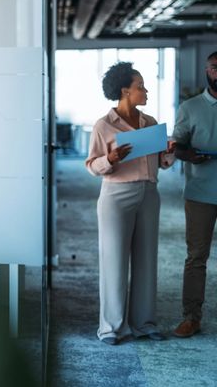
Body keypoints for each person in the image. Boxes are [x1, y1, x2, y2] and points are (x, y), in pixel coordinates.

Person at [85, 61, 175, 345]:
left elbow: (161, 164)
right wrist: (109, 159)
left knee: (147, 259)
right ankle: (111, 328)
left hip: (149, 193)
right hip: (116, 196)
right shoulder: (103, 125)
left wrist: (166, 154)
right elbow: (91, 165)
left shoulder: (149, 123)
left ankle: (144, 323)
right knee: (114, 261)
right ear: (124, 91)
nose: (145, 91)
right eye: (140, 87)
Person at [172, 51, 217, 338]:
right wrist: (188, 154)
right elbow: (176, 146)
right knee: (197, 256)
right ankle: (191, 317)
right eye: (215, 68)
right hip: (201, 192)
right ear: (207, 70)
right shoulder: (190, 107)